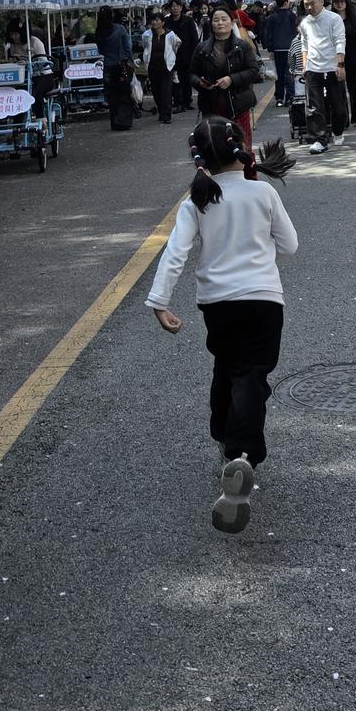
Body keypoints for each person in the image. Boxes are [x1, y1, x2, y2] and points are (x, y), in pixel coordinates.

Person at [146, 119, 297, 534]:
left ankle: (222, 435)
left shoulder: (197, 199)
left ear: (199, 157)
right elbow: (290, 244)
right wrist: (259, 260)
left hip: (218, 306)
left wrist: (159, 302)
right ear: (241, 147)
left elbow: (175, 254)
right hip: (264, 301)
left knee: (226, 367)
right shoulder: (262, 191)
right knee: (252, 376)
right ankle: (242, 454)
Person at [192, 6, 262, 148]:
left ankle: (246, 171)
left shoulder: (242, 46)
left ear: (232, 22)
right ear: (211, 24)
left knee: (242, 148)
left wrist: (232, 79)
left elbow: (254, 70)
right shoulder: (202, 48)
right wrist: (200, 82)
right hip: (211, 107)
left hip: (238, 107)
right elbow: (192, 73)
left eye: (224, 19)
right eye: (216, 20)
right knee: (215, 150)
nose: (220, 23)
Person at [297, 0, 348, 154]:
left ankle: (338, 131)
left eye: (312, 3)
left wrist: (340, 65)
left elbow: (340, 41)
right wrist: (304, 66)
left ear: (321, 0)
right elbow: (304, 44)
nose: (309, 7)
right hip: (313, 68)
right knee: (314, 107)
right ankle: (319, 140)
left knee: (339, 107)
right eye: (306, 5)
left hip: (333, 67)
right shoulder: (305, 23)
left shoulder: (333, 19)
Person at [331, 0, 356, 125]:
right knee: (338, 91)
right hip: (335, 59)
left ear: (346, 2)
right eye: (336, 2)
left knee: (353, 89)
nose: (339, 4)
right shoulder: (330, 18)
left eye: (342, 1)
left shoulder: (354, 18)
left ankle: (355, 118)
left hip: (352, 58)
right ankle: (343, 118)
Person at [96, 6, 135, 131]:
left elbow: (101, 49)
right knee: (123, 94)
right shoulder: (119, 29)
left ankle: (114, 122)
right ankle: (124, 121)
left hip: (108, 66)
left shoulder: (99, 32)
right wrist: (131, 61)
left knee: (112, 96)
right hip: (121, 65)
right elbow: (127, 47)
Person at [142, 10, 179, 125]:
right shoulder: (147, 35)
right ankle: (161, 110)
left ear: (163, 22)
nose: (154, 22)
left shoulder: (170, 35)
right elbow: (145, 47)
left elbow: (175, 46)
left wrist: (171, 59)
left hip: (166, 67)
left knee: (166, 91)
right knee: (156, 91)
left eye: (157, 20)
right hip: (153, 67)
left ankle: (166, 115)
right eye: (153, 20)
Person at [261, 0, 298, 106]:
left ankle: (279, 98)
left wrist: (270, 50)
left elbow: (268, 34)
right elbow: (296, 32)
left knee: (279, 74)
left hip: (277, 49)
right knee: (290, 73)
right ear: (286, 2)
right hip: (290, 48)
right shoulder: (292, 16)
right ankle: (290, 96)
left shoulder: (272, 17)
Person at [165, 0, 198, 112]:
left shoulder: (188, 21)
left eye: (177, 6)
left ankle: (187, 100)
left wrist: (195, 53)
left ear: (181, 7)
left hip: (186, 53)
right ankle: (177, 101)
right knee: (174, 78)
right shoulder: (166, 21)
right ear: (170, 8)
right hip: (172, 53)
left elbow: (194, 38)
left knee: (185, 78)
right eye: (173, 6)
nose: (175, 8)